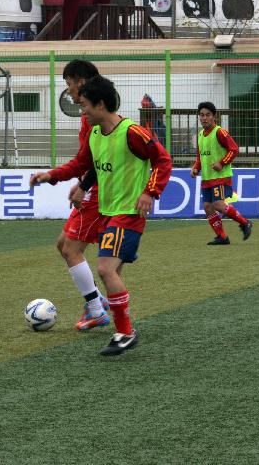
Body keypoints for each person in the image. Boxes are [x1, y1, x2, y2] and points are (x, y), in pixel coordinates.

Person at [38, 75, 172, 355]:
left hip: (128, 213)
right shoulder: (96, 134)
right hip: (107, 212)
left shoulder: (132, 132)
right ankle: (115, 322)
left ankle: (124, 332)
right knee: (111, 272)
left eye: (85, 104)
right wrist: (52, 175)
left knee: (104, 269)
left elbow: (162, 159)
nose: (82, 109)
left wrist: (150, 192)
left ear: (100, 104)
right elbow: (82, 164)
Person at [29, 60, 111, 331]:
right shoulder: (91, 115)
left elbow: (99, 160)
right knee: (62, 244)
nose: (70, 93)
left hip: (99, 192)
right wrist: (56, 177)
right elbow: (85, 160)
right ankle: (98, 300)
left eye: (69, 85)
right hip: (92, 187)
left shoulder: (98, 118)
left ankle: (97, 308)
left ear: (80, 82)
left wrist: (84, 186)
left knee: (72, 250)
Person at [190, 101, 252, 245]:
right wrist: (195, 168)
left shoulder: (220, 132)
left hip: (221, 177)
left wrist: (221, 163)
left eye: (208, 115)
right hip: (207, 178)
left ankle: (245, 222)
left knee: (218, 204)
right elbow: (200, 156)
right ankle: (222, 236)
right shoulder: (200, 135)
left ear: (214, 117)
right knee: (207, 207)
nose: (204, 118)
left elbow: (234, 149)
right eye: (202, 115)